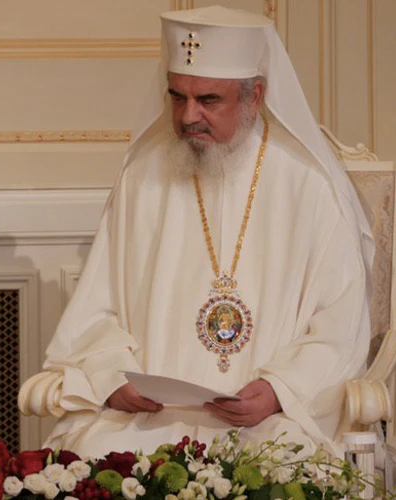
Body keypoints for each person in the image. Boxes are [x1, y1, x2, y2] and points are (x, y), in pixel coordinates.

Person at [42, 6, 372, 459]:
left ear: (255, 96)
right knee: (96, 457)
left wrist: (279, 388)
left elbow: (342, 323)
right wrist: (114, 378)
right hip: (148, 422)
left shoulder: (307, 185)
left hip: (269, 424)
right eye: (178, 97)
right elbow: (97, 310)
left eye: (209, 100)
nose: (187, 116)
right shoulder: (144, 175)